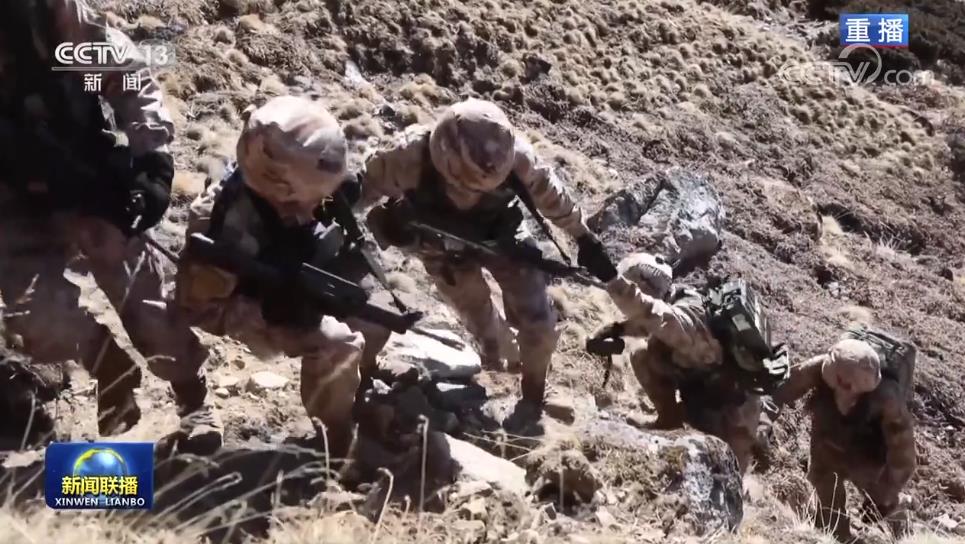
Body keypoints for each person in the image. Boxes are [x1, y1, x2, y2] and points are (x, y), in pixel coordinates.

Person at [0, 0, 208, 438]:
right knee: (35, 316)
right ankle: (110, 366)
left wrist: (152, 162)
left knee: (145, 301)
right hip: (16, 202)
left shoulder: (56, 19)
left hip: (89, 181)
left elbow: (126, 77)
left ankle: (195, 404)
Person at [360, 98, 616, 411]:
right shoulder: (410, 156)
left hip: (501, 234)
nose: (469, 195)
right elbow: (361, 188)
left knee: (538, 321)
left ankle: (533, 397)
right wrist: (325, 209)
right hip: (439, 246)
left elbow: (554, 198)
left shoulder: (520, 161)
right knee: (482, 322)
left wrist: (585, 239)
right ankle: (497, 360)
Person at [173, 95, 374, 455]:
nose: (319, 201)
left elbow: (327, 205)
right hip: (246, 303)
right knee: (338, 345)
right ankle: (334, 440)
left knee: (372, 316)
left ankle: (361, 384)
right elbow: (198, 308)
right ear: (279, 185)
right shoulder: (225, 229)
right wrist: (271, 308)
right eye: (312, 196)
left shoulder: (302, 177)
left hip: (299, 275)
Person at [594, 252, 763, 473]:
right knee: (643, 352)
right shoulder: (680, 305)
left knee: (729, 471)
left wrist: (615, 283)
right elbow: (651, 325)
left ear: (644, 287)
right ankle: (669, 420)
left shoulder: (684, 314)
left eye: (635, 286)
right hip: (705, 392)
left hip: (735, 408)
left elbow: (656, 316)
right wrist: (616, 330)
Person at [772, 337, 916, 541]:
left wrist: (886, 494)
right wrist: (760, 421)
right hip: (827, 443)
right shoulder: (821, 368)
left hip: (867, 452)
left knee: (880, 498)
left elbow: (903, 456)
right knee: (824, 492)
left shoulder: (887, 399)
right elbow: (779, 391)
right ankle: (836, 536)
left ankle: (899, 515)